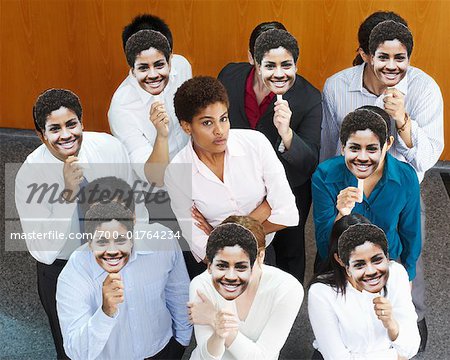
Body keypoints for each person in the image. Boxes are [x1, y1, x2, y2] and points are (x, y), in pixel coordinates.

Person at [320, 13, 441, 349]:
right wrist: (327, 195)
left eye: (399, 56)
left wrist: (402, 120)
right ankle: (346, 327)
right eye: (382, 55)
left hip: (401, 190)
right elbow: (329, 144)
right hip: (350, 187)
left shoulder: (424, 88)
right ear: (365, 54)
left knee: (404, 256)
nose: (391, 64)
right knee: (345, 255)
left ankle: (410, 319)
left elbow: (428, 157)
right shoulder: (337, 86)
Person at [14, 88, 148, 359]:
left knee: (122, 337)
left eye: (71, 124)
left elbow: (137, 204)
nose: (65, 135)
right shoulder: (29, 174)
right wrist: (67, 194)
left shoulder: (110, 148)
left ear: (82, 122)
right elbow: (43, 251)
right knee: (74, 348)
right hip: (63, 268)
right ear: (41, 135)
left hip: (115, 258)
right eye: (54, 129)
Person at [165, 76, 299, 278]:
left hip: (263, 257)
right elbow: (199, 245)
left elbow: (288, 214)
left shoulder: (256, 143)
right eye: (207, 123)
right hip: (217, 268)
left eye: (224, 118)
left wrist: (222, 231)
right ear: (186, 126)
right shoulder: (177, 172)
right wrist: (263, 210)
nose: (220, 131)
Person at [218, 25, 322, 283]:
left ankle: (288, 302)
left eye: (286, 65)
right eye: (269, 65)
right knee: (238, 243)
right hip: (239, 182)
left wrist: (287, 135)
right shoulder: (229, 76)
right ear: (253, 58)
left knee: (290, 249)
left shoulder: (309, 98)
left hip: (288, 186)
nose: (278, 73)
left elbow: (308, 162)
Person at [56, 179, 191, 359]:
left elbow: (179, 293)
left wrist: (181, 342)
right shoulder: (74, 274)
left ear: (134, 217)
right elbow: (76, 351)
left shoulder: (162, 240)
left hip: (163, 351)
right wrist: (106, 312)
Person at [312, 106, 421, 281]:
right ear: (343, 147)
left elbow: (411, 233)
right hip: (340, 266)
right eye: (355, 147)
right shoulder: (325, 176)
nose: (362, 158)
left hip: (387, 265)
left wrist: (407, 276)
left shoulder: (406, 177)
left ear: (388, 144)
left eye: (372, 148)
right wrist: (341, 214)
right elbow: (324, 246)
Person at [188, 218, 303, 359]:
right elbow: (206, 356)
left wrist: (217, 321)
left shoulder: (288, 288)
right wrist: (218, 335)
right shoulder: (202, 284)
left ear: (261, 256)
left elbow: (264, 357)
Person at [308, 222, 420, 359]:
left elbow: (411, 346)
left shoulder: (396, 274)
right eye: (360, 263)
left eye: (377, 259)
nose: (371, 271)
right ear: (340, 260)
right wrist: (393, 356)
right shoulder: (321, 292)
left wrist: (392, 325)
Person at [109, 19, 191, 186]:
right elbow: (155, 178)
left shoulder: (181, 66)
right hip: (157, 192)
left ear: (171, 56)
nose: (153, 75)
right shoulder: (121, 109)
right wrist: (161, 136)